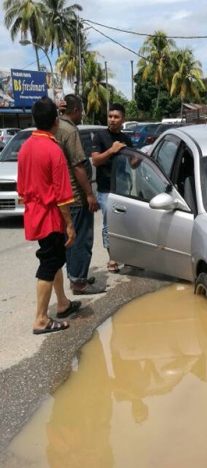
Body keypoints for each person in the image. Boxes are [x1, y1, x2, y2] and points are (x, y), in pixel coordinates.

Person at [17, 97, 82, 335]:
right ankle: (41, 319)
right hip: (50, 216)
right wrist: (70, 225)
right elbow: (63, 195)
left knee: (53, 259)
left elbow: (22, 188)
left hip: (35, 213)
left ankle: (62, 303)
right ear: (56, 120)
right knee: (49, 263)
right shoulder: (53, 150)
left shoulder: (25, 147)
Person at [54, 94, 105, 295]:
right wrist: (90, 194)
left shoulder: (56, 126)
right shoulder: (70, 131)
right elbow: (78, 166)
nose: (82, 114)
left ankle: (77, 275)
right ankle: (78, 282)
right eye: (81, 111)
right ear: (75, 111)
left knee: (72, 238)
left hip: (65, 195)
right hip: (76, 196)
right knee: (81, 239)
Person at [91, 103, 133, 274]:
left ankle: (129, 256)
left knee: (125, 224)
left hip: (123, 189)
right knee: (109, 225)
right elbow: (96, 160)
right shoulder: (100, 137)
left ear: (123, 119)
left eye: (116, 117)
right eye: (110, 116)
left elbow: (133, 163)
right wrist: (112, 150)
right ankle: (112, 257)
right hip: (105, 189)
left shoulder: (126, 139)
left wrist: (139, 158)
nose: (112, 120)